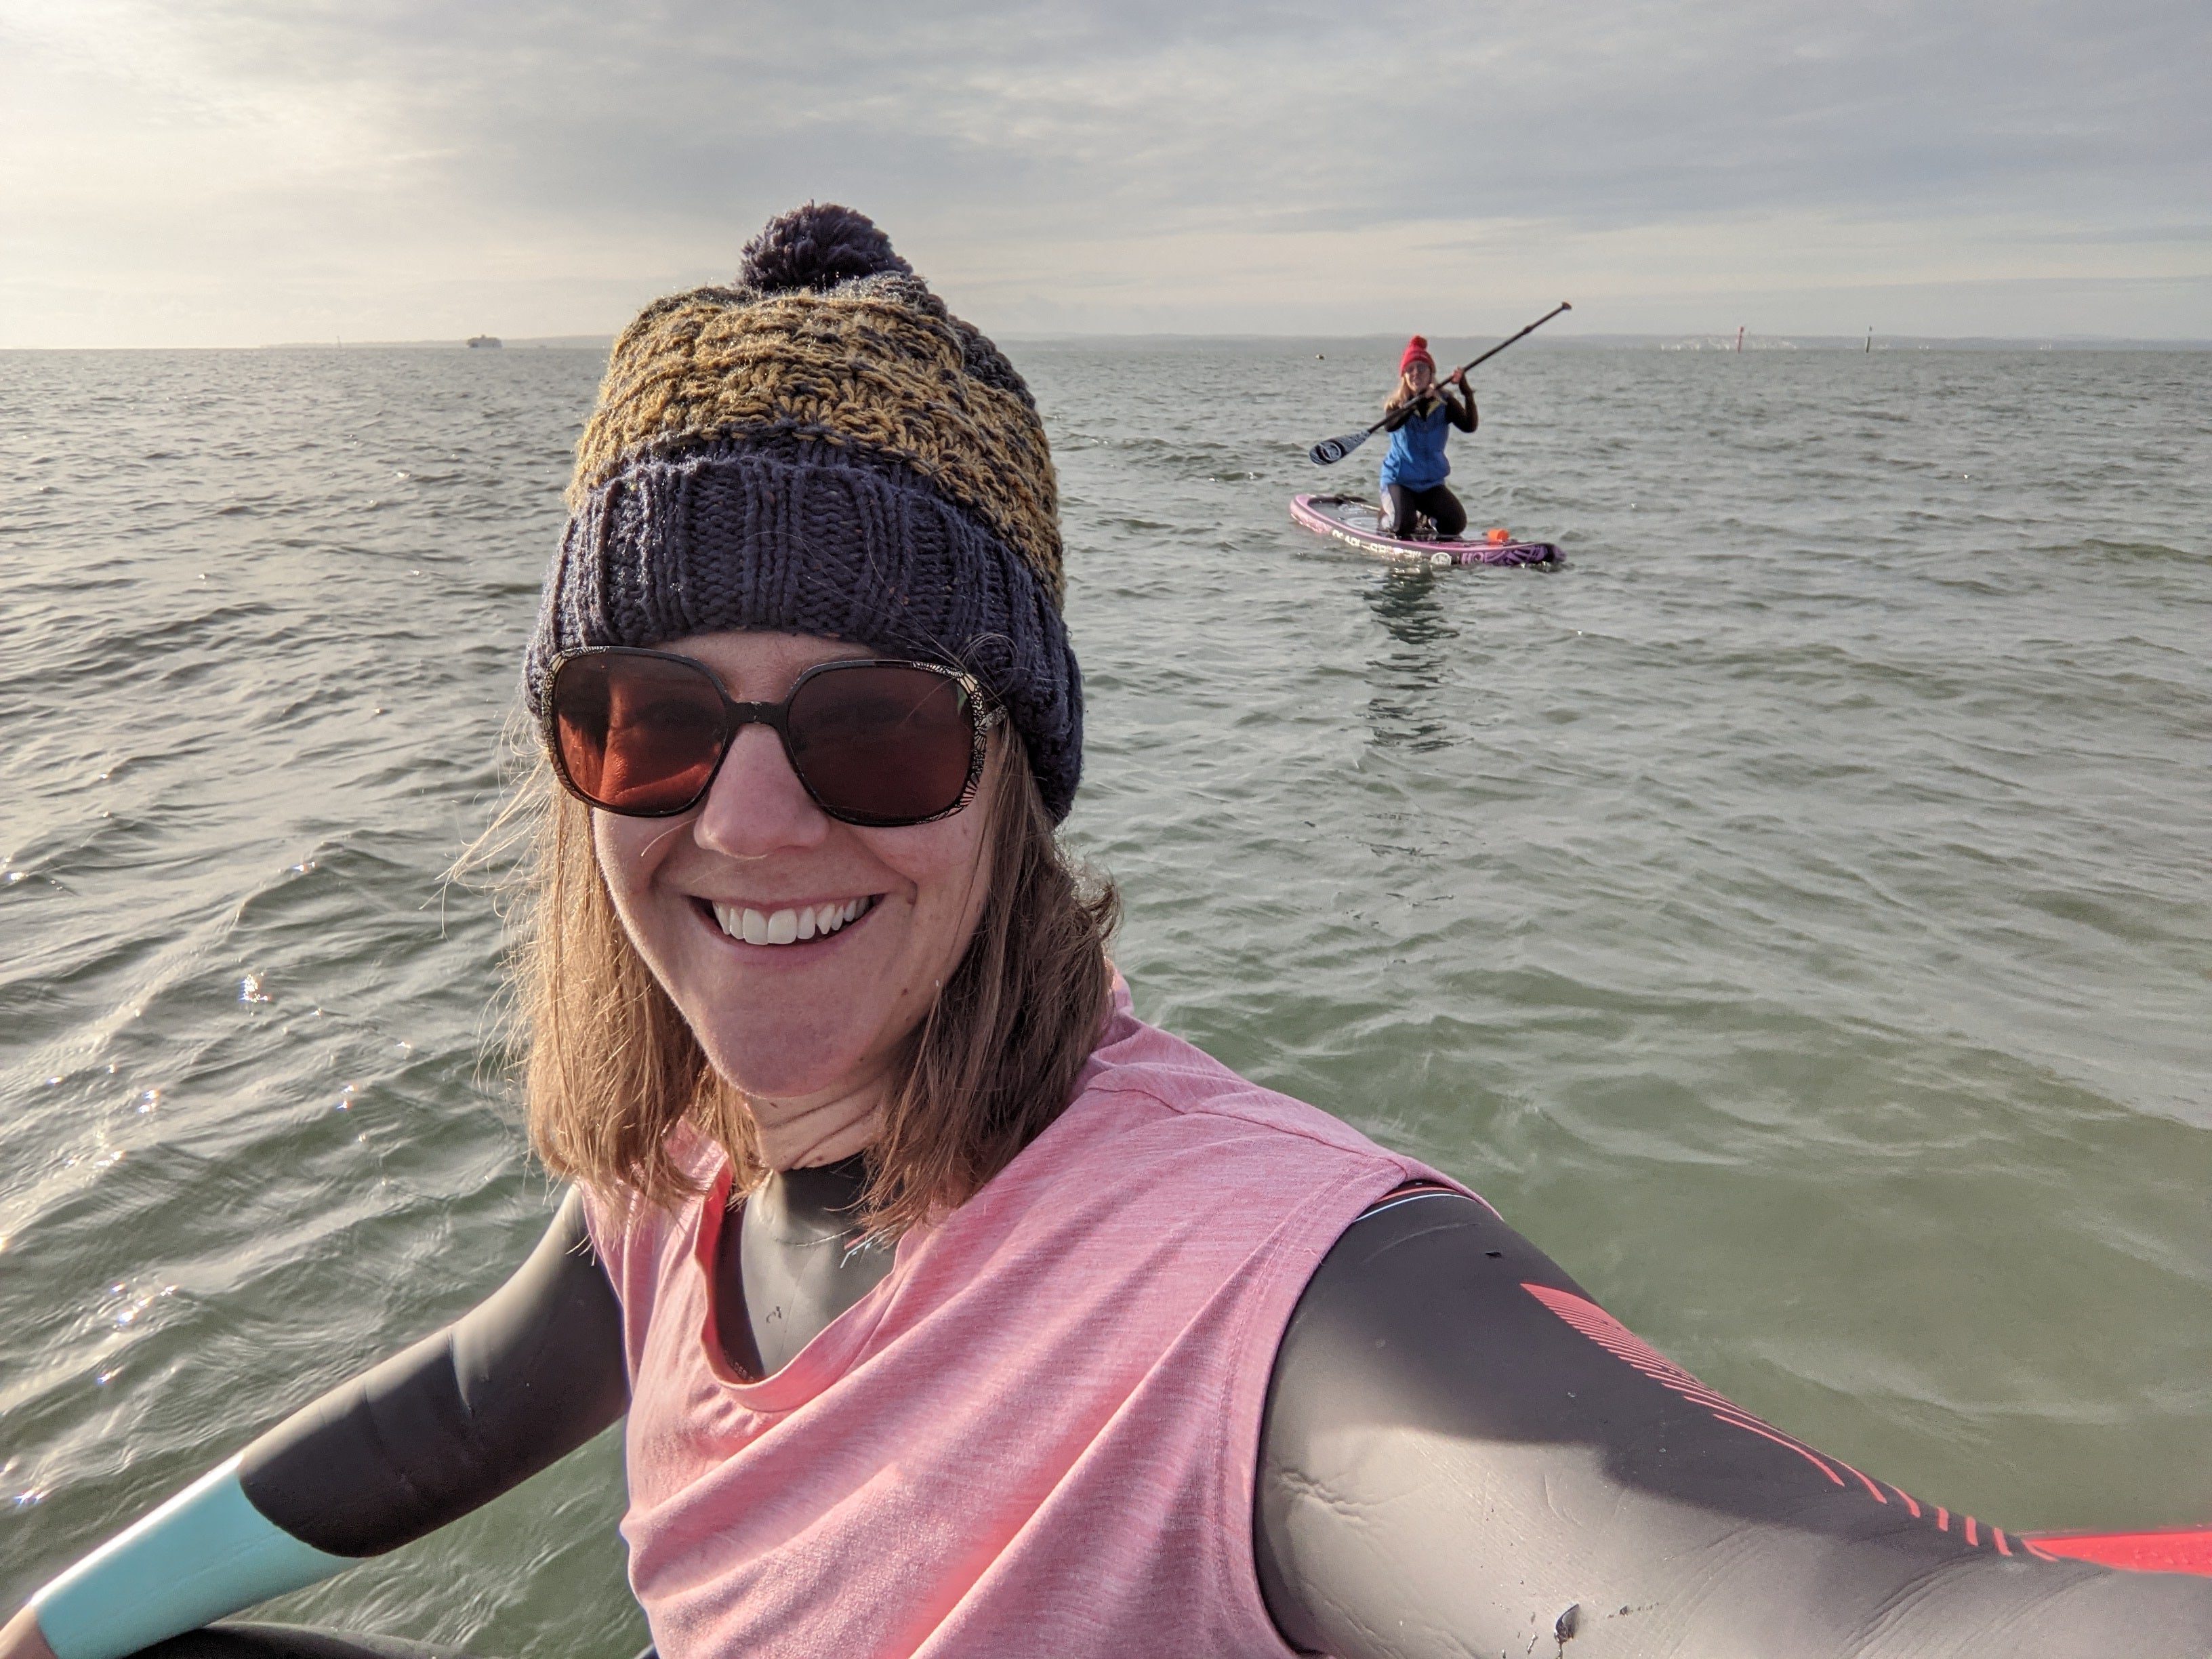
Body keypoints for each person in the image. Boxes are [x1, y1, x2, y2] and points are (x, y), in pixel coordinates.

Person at [7, 205, 2209, 1659]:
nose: (746, 812)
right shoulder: (674, 1178)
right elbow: (454, 1403)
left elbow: (1795, 1601)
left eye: (870, 727)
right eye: (647, 719)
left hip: (1424, 515)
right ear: (567, 751)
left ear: (1010, 773)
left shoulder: (1256, 1286)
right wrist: (58, 1621)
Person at [1375, 335, 1476, 541]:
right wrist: (1417, 402)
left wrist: (1467, 394)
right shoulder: (1396, 405)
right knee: (1403, 527)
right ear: (1403, 376)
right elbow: (1391, 426)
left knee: (1455, 524)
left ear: (1431, 373)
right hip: (1398, 480)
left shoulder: (1445, 403)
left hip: (1429, 483)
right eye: (1410, 369)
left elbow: (1469, 426)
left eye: (1422, 368)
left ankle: (1427, 520)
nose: (1416, 373)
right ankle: (1386, 516)